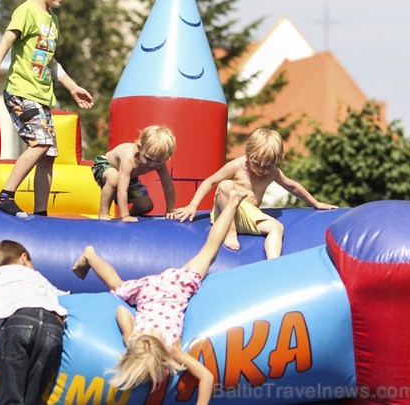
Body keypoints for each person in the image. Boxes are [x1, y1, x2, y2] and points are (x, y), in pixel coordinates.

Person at [71, 190, 249, 404]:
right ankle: (90, 255)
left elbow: (206, 378)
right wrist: (128, 331)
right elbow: (121, 311)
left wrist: (127, 331)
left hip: (176, 288)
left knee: (209, 251)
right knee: (117, 284)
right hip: (150, 291)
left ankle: (232, 203)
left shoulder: (169, 349)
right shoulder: (140, 342)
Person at [0, 0, 94, 217]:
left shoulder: (52, 20)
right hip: (21, 92)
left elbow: (50, 61)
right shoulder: (27, 11)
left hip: (41, 96)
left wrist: (72, 86)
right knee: (40, 144)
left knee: (48, 155)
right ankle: (4, 196)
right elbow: (7, 39)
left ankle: (41, 212)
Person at [173, 127, 337, 259]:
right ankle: (230, 233)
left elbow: (292, 186)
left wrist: (316, 203)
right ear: (248, 154)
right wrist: (193, 205)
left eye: (268, 166)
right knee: (226, 185)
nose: (261, 170)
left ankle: (273, 264)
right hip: (226, 213)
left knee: (277, 227)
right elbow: (210, 181)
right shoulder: (237, 166)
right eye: (257, 164)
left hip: (248, 215)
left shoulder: (272, 172)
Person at [0, 240, 68, 405]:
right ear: (23, 257)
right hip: (52, 327)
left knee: (12, 396)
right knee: (34, 398)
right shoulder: (39, 277)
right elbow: (66, 296)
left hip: (18, 321)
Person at [92, 125, 176, 221]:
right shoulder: (129, 158)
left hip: (129, 177)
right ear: (140, 148)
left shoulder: (159, 163)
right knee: (114, 178)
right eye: (148, 158)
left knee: (146, 206)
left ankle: (121, 217)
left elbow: (168, 186)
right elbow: (122, 189)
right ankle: (103, 214)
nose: (152, 164)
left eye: (158, 161)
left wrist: (170, 210)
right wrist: (125, 216)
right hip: (105, 166)